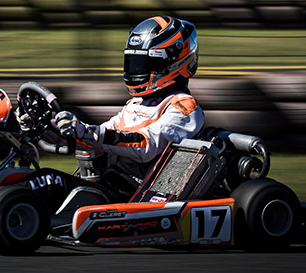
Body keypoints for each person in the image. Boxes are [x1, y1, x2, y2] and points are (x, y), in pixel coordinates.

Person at [54, 16, 204, 199]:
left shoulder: (183, 107)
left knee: (47, 181)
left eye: (145, 64)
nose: (137, 70)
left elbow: (146, 145)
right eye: (134, 62)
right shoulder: (137, 103)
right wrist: (53, 129)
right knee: (41, 181)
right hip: (109, 184)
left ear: (172, 63)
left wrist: (87, 132)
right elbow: (102, 135)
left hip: (135, 194)